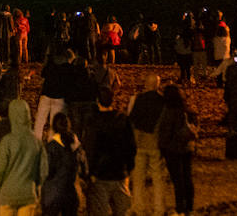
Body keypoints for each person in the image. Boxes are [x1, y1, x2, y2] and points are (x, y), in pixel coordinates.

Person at [82, 86, 136, 216]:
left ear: (97, 101)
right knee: (122, 210)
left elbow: (89, 149)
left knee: (100, 210)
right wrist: (129, 167)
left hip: (100, 175)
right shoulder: (122, 120)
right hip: (120, 173)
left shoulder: (93, 122)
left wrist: (88, 172)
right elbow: (131, 146)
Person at [0, 97, 45, 216]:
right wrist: (37, 187)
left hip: (8, 193)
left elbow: (0, 169)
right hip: (28, 194)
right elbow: (43, 171)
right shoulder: (36, 142)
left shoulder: (7, 141)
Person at [126, 73, 167, 216]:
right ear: (157, 85)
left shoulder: (139, 99)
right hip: (155, 142)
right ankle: (159, 209)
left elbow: (132, 120)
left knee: (138, 178)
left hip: (140, 142)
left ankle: (138, 207)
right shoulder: (163, 101)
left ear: (146, 84)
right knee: (157, 178)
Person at [157, 84, 197, 216]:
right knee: (187, 176)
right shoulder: (188, 110)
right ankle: (189, 205)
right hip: (187, 147)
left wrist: (162, 147)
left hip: (173, 149)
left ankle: (181, 206)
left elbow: (165, 133)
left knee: (178, 180)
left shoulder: (168, 112)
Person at [41, 112, 78, 216]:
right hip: (70, 193)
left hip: (53, 194)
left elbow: (47, 171)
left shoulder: (52, 146)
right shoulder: (75, 144)